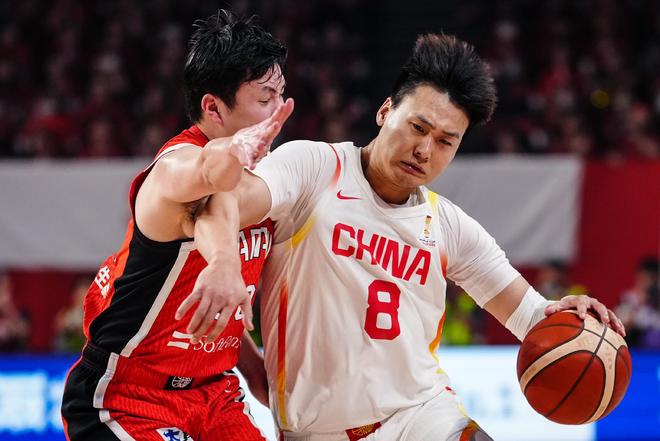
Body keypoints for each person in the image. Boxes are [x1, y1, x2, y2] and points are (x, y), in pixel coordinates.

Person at [184, 33, 627, 441]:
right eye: (418, 127)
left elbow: (530, 315)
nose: (424, 150)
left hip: (422, 417)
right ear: (385, 112)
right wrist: (224, 265)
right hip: (313, 430)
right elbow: (221, 199)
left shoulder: (450, 226)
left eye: (445, 142)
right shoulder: (313, 168)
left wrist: (569, 316)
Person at [61, 10, 293, 441]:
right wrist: (223, 260)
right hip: (128, 396)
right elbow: (207, 182)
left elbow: (212, 309)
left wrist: (257, 372)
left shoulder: (266, 177)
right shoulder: (174, 167)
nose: (278, 111)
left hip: (214, 394)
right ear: (213, 107)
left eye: (281, 95)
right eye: (265, 99)